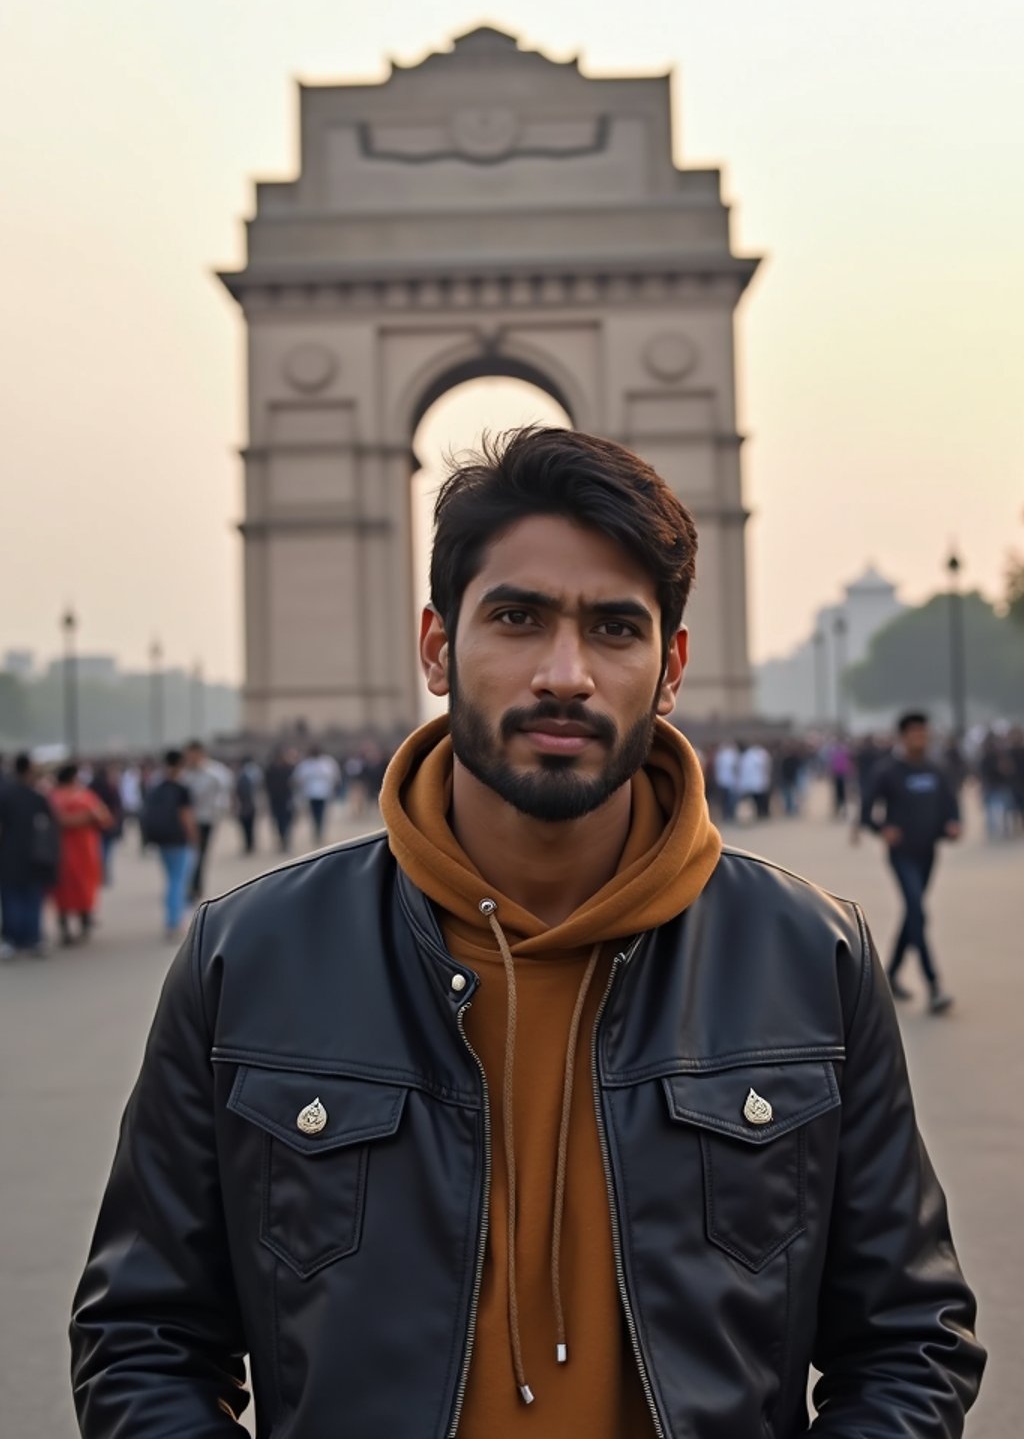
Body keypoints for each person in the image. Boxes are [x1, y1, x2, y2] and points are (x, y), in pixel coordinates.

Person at [71, 429, 983, 1439]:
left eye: (613, 629)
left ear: (671, 665)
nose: (564, 673)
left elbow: (907, 1338)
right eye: (516, 617)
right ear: (435, 645)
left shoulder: (816, 958)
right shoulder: (244, 958)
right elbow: (143, 1341)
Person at [861, 711, 961, 1013]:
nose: (921, 738)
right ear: (903, 736)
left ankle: (889, 973)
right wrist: (883, 829)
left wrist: (954, 824)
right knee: (918, 911)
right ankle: (934, 985)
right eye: (915, 733)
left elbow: (950, 805)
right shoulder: (887, 772)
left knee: (913, 914)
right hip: (901, 854)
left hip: (928, 852)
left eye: (924, 732)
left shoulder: (936, 769)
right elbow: (866, 813)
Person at [0, 753, 61, 959]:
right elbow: (51, 825)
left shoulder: (4, 795)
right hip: (35, 856)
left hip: (8, 856)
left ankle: (11, 940)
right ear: (29, 770)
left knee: (11, 900)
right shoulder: (37, 798)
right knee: (32, 899)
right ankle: (33, 938)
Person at [49, 764, 112, 946]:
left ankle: (67, 928)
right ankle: (83, 923)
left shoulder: (54, 797)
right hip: (82, 851)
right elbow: (103, 817)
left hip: (64, 851)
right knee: (82, 886)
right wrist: (85, 817)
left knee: (64, 890)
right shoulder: (83, 796)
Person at [141, 750, 199, 938]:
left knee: (171, 879)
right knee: (178, 881)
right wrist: (194, 836)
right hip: (179, 839)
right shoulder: (181, 788)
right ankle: (174, 921)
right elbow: (186, 816)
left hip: (161, 839)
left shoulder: (156, 788)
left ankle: (171, 918)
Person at [181, 740, 232, 901]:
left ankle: (195, 887)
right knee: (187, 854)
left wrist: (218, 811)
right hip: (185, 820)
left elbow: (224, 795)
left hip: (205, 819)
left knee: (200, 854)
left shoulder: (216, 773)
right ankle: (188, 885)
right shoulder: (183, 774)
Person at [293, 744, 341, 844]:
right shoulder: (306, 764)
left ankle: (319, 832)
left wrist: (334, 788)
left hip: (324, 793)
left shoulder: (327, 762)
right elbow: (298, 778)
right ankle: (316, 831)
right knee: (314, 815)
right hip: (310, 794)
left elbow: (335, 776)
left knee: (321, 815)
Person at [89, 763, 124, 886]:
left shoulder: (90, 788)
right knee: (107, 853)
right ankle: (106, 876)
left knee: (99, 851)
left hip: (95, 824)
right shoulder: (111, 787)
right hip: (108, 824)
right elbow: (117, 807)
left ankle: (99, 875)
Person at [264, 747, 296, 853]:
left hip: (287, 798)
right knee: (279, 821)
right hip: (276, 799)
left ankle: (285, 840)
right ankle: (283, 839)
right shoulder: (271, 769)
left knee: (287, 820)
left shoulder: (290, 768)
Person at [737, 738, 772, 820]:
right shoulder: (747, 756)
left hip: (756, 782)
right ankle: (759, 814)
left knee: (758, 800)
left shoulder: (753, 756)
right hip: (754, 782)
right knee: (756, 801)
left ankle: (761, 813)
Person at [234, 757, 262, 855]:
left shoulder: (242, 776)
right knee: (249, 827)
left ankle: (249, 844)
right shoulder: (252, 775)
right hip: (247, 806)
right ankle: (250, 844)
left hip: (246, 806)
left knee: (247, 827)